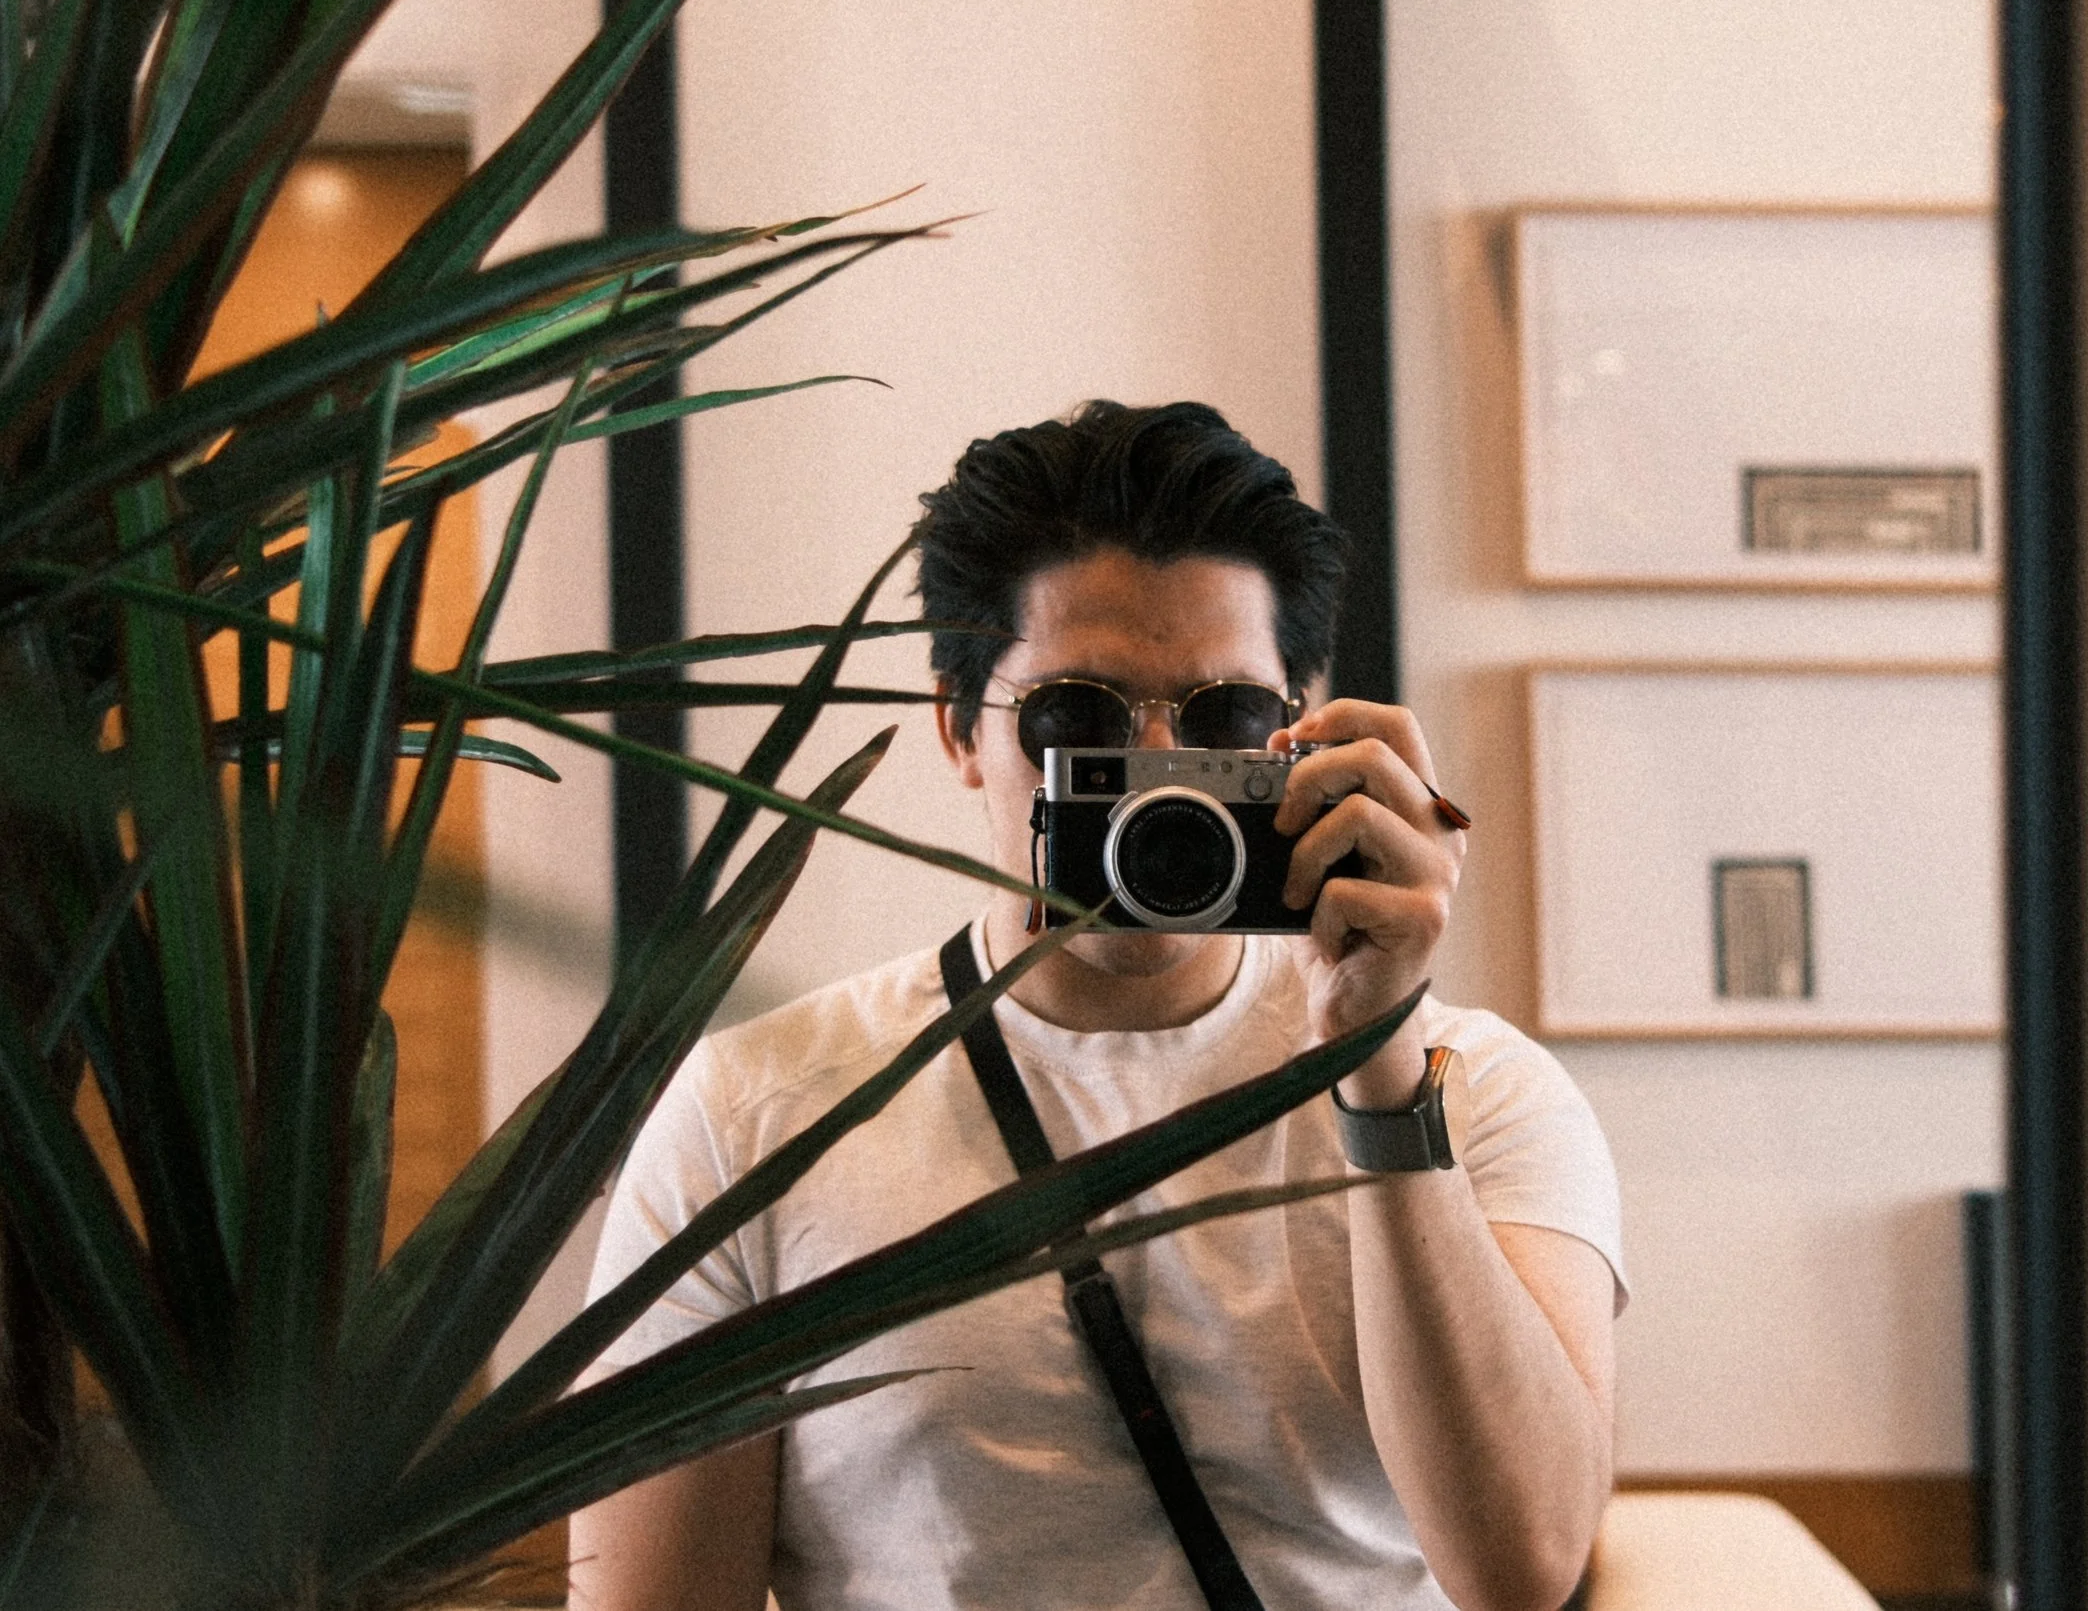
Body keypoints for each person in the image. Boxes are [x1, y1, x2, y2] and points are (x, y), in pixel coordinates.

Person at [570, 401, 1625, 1611]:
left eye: (1227, 718)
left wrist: (1377, 1058)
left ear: (1306, 730)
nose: (1156, 774)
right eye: (1079, 718)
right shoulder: (755, 1113)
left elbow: (1523, 1569)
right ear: (960, 728)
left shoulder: (1472, 1089)